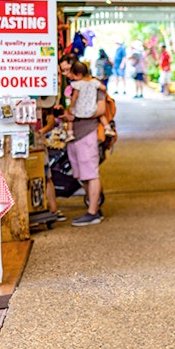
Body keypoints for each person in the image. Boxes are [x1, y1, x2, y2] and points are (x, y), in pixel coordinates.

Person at [59, 55, 106, 226]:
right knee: (82, 174)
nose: (65, 74)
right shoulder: (72, 86)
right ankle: (93, 208)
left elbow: (101, 109)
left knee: (91, 173)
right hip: (74, 135)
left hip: (88, 132)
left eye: (67, 70)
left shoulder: (93, 84)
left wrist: (76, 115)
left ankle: (93, 212)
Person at [64, 60, 111, 140]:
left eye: (72, 74)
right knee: (101, 115)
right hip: (93, 110)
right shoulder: (94, 82)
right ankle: (108, 128)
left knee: (70, 118)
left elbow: (75, 96)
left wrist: (71, 107)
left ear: (78, 74)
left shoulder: (77, 84)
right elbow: (103, 88)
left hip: (79, 111)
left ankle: (70, 134)